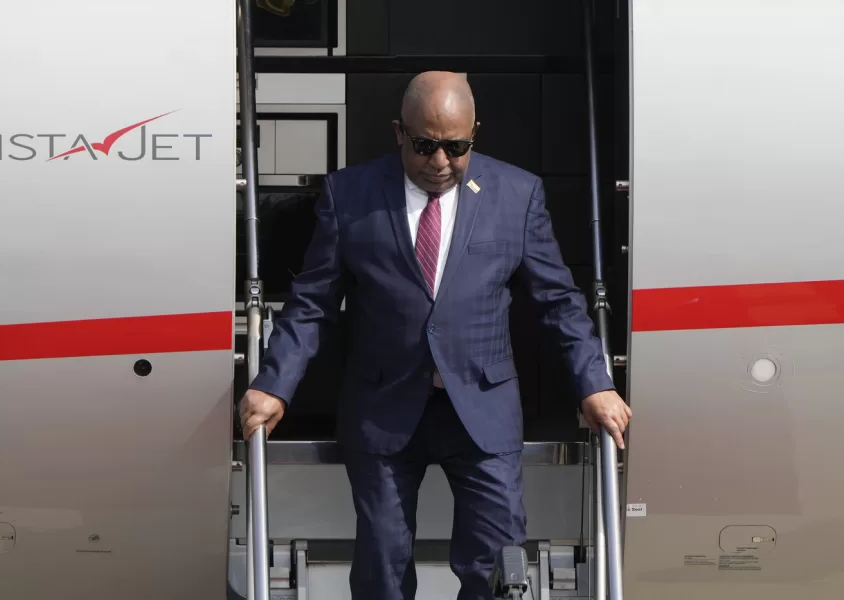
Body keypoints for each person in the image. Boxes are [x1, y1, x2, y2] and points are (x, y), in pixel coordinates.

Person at [240, 71, 632, 600]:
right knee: (381, 565)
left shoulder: (515, 194)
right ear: (399, 132)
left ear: (475, 135)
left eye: (456, 146)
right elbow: (313, 303)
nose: (440, 162)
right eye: (425, 146)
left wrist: (594, 382)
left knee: (497, 564)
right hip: (383, 406)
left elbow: (557, 299)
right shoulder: (349, 194)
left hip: (482, 407)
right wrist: (274, 383)